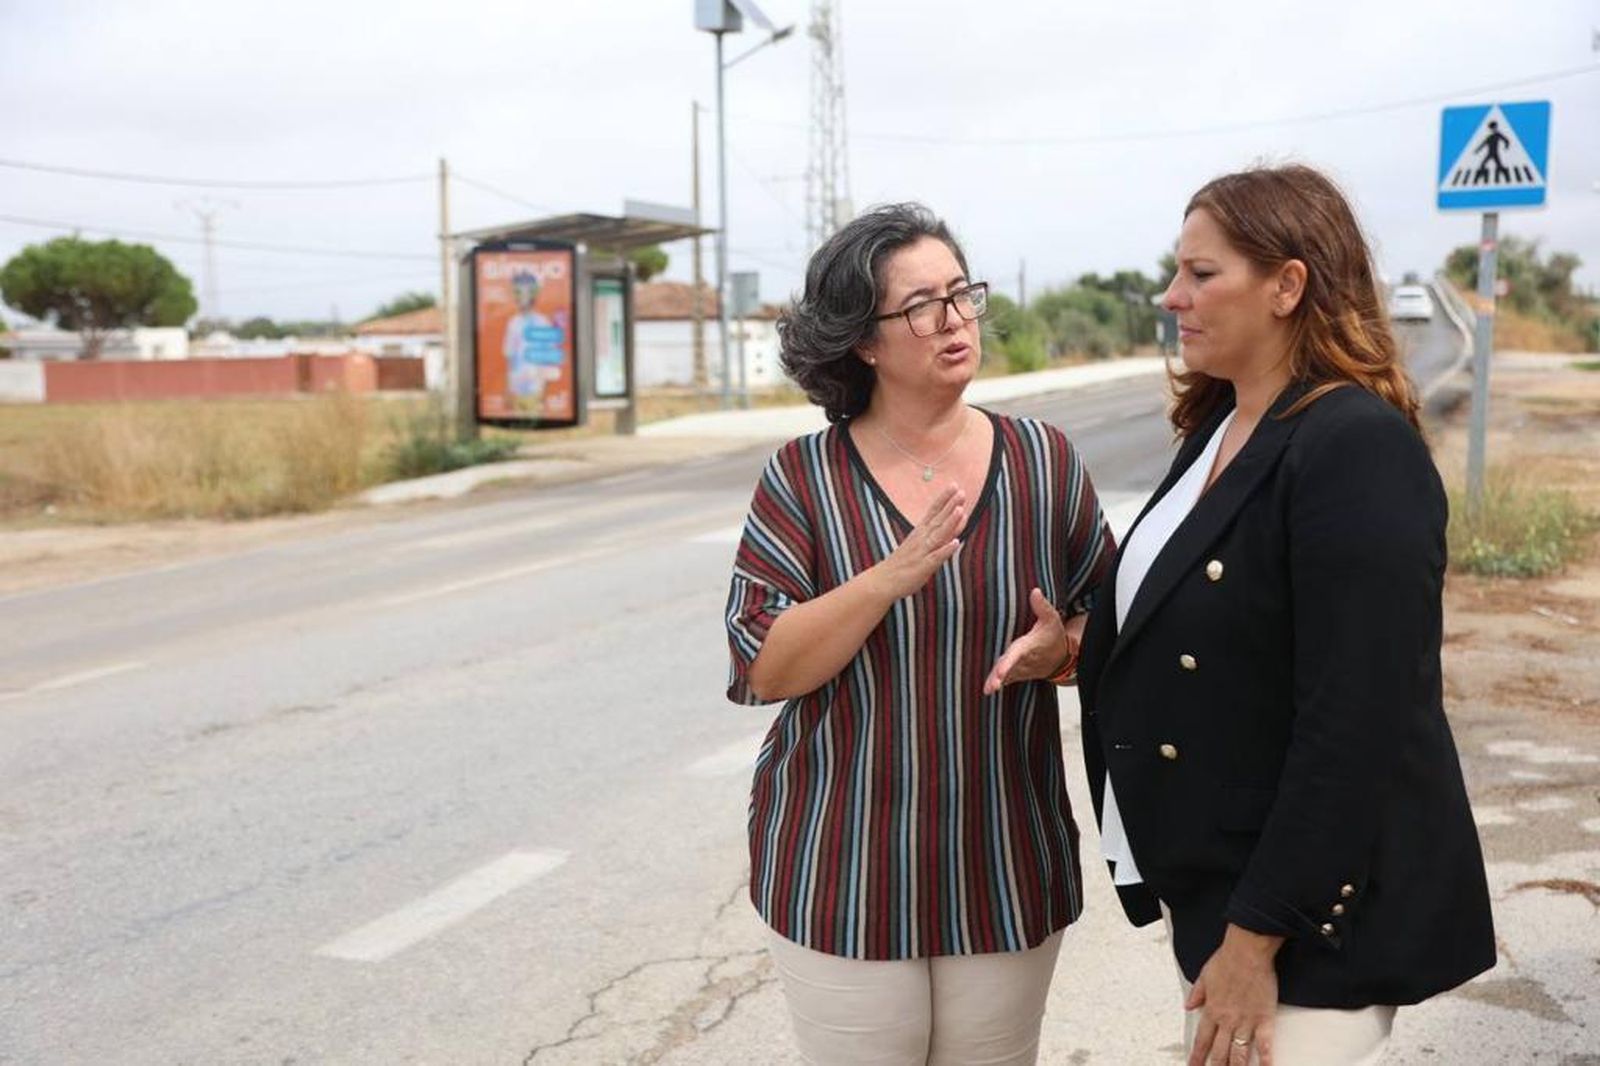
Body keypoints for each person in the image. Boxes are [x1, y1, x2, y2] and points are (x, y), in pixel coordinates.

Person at [1074, 164, 1495, 1066]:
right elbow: (1227, 627)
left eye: (1201, 272)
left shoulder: (1355, 447)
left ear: (1287, 285)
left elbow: (1355, 723)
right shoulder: (1225, 424)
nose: (1171, 294)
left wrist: (1256, 941)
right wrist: (1076, 649)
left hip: (1300, 930)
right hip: (1222, 893)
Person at [723, 203, 1113, 1064]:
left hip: (1003, 860)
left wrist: (1066, 651)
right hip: (843, 863)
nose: (954, 319)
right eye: (920, 305)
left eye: (961, 293)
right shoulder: (803, 477)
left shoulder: (1042, 461)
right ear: (863, 341)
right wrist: (885, 580)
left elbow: (1114, 620)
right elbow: (765, 664)